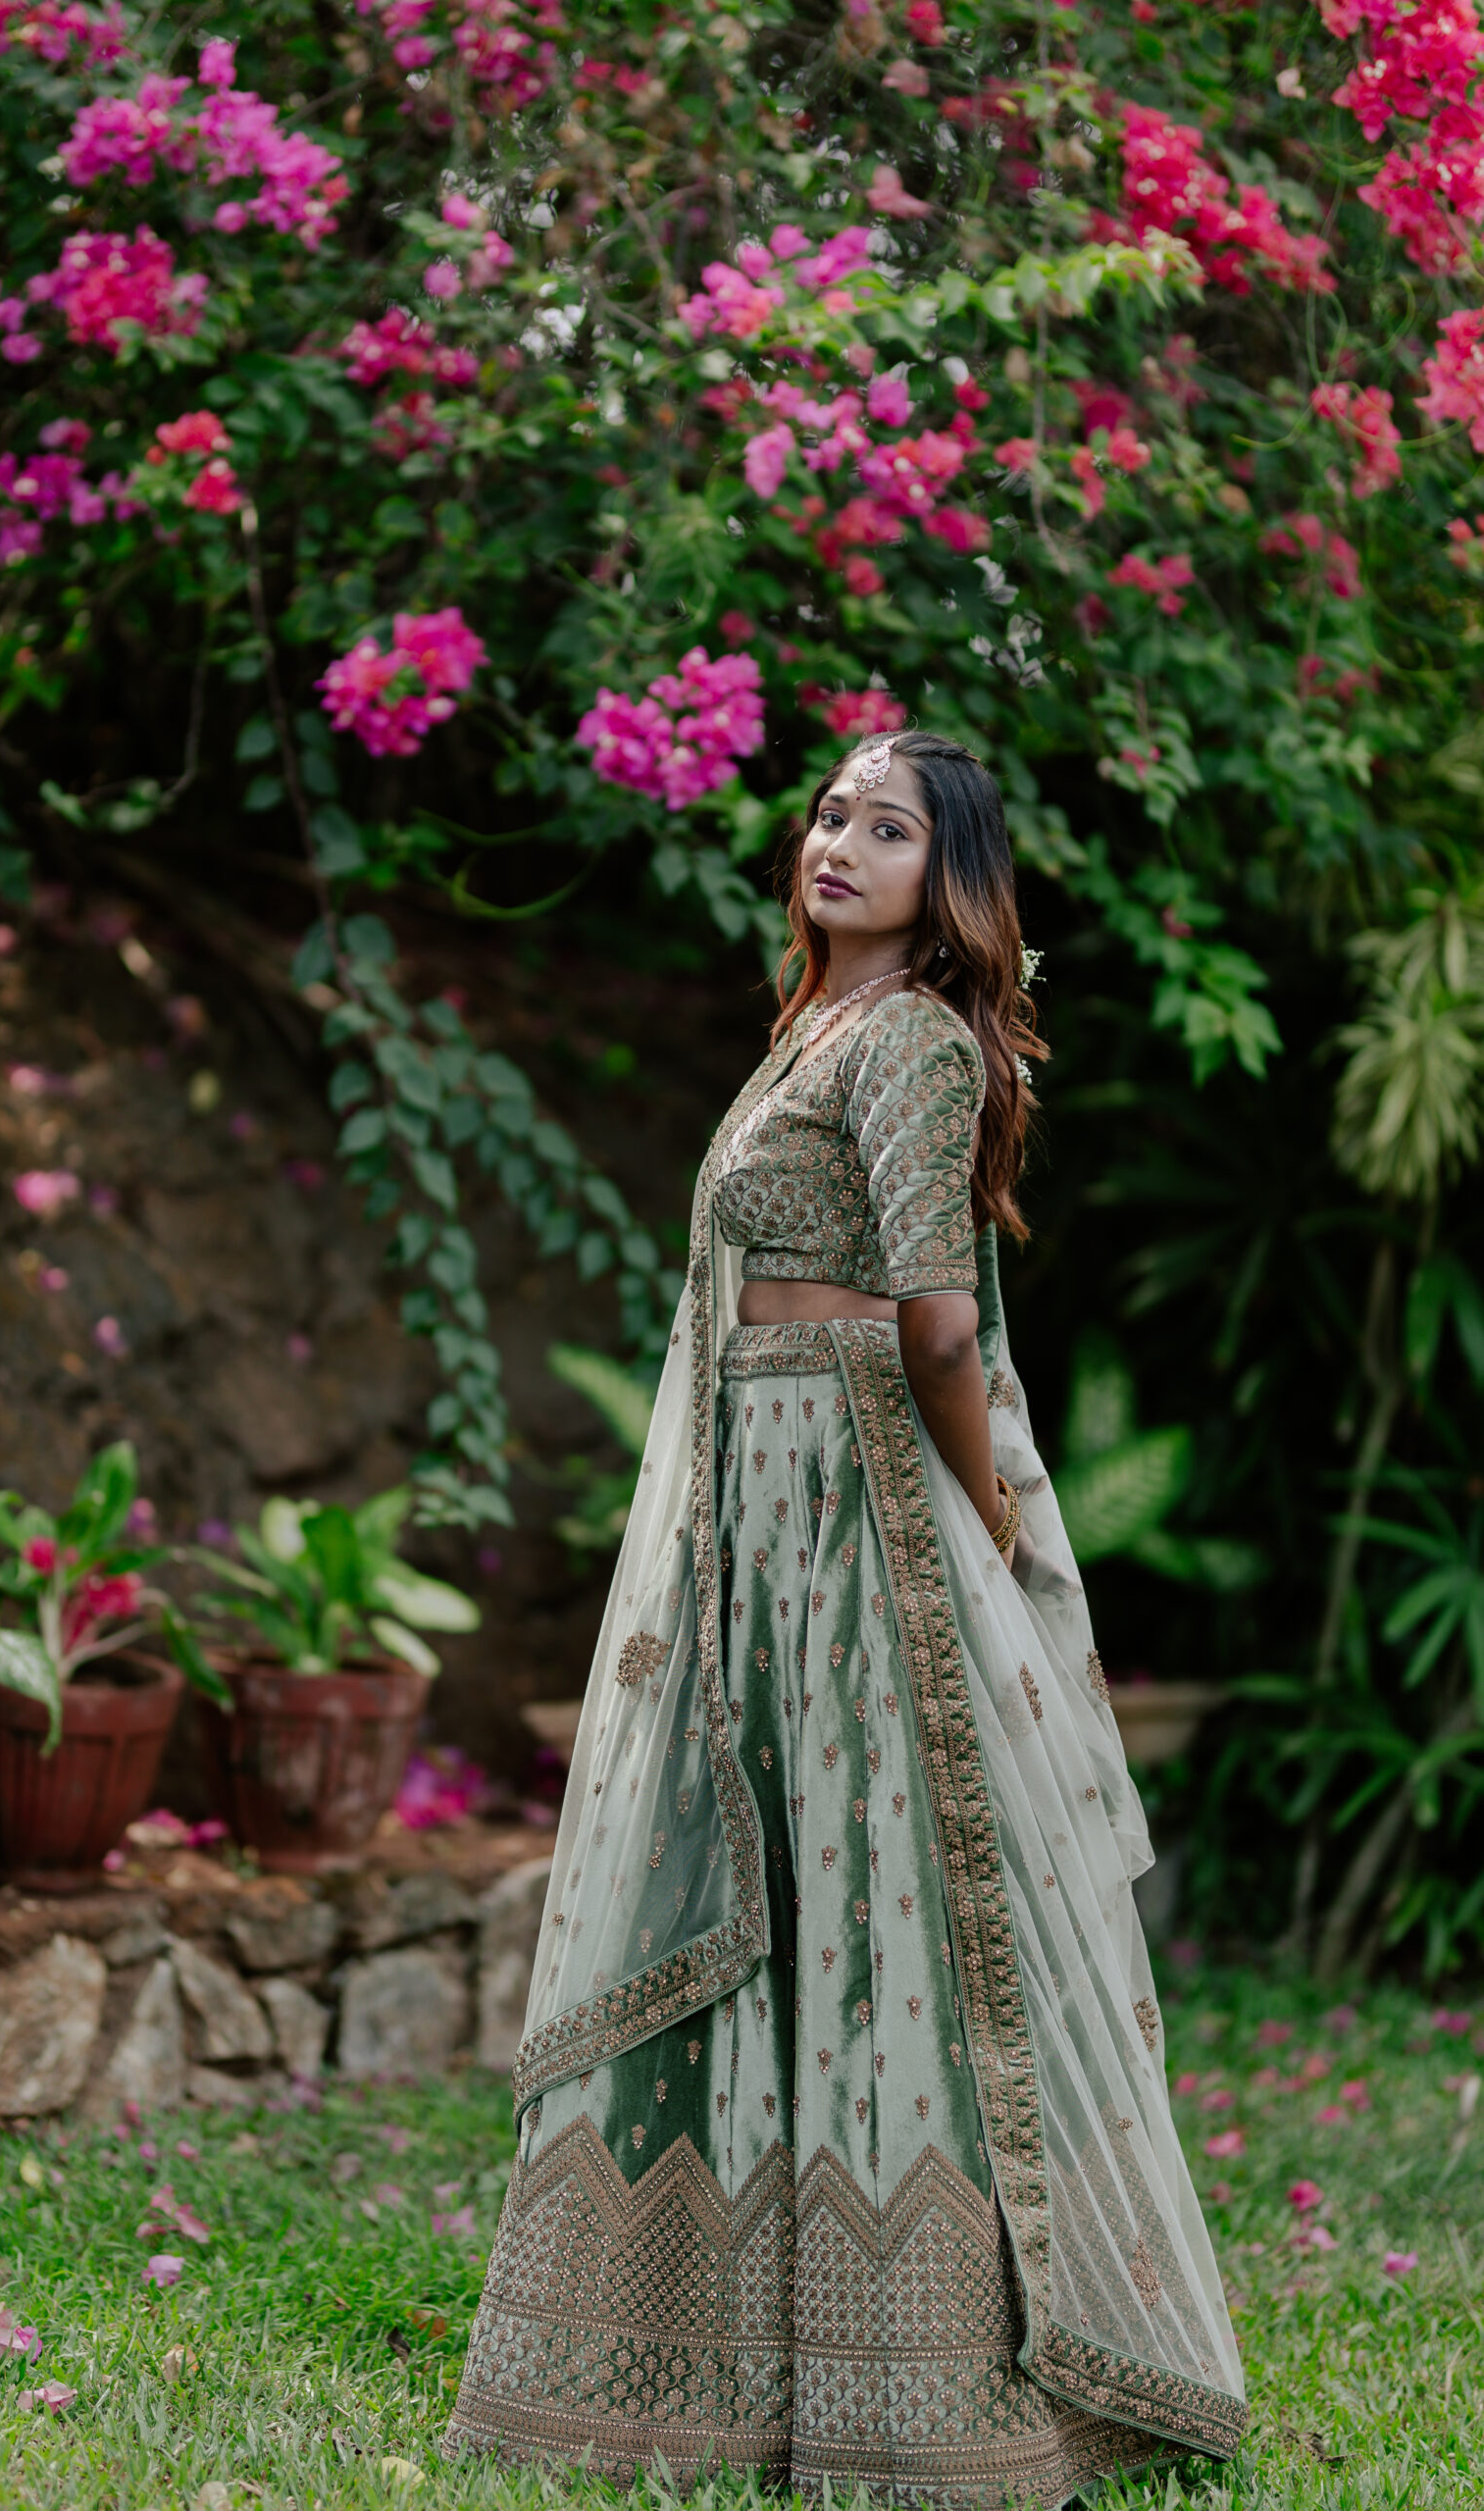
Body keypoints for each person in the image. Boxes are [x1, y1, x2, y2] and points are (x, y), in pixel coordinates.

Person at [443, 731, 1246, 2506]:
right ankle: (737, 2356)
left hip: (859, 1510)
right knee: (794, 1898)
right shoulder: (816, 1028)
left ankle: (941, 2381)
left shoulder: (915, 1044)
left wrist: (984, 1524)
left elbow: (938, 1323)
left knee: (883, 1904)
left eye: (889, 829)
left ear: (949, 884)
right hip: (779, 1509)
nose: (839, 842)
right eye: (828, 813)